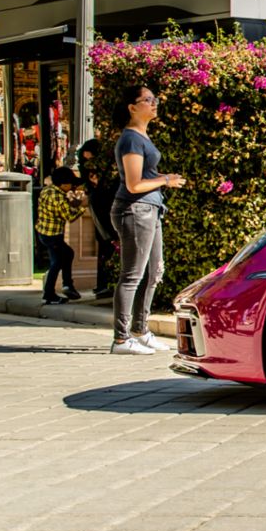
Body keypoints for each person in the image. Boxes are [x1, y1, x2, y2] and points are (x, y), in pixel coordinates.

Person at [111, 86, 184, 356]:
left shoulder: (142, 136)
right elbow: (133, 184)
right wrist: (166, 180)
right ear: (132, 107)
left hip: (150, 209)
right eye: (148, 100)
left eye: (155, 99)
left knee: (154, 273)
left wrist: (164, 179)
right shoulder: (131, 139)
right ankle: (121, 339)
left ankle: (140, 331)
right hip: (135, 209)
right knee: (132, 275)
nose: (154, 104)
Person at [35, 167, 87, 305]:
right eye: (71, 184)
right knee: (59, 261)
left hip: (43, 232)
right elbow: (69, 216)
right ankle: (55, 290)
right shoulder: (58, 197)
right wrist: (82, 206)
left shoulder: (47, 190)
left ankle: (64, 286)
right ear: (64, 184)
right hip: (53, 235)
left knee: (63, 256)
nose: (73, 186)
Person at [77, 138, 120, 298]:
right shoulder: (98, 184)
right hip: (101, 208)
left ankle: (105, 283)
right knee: (106, 245)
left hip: (105, 206)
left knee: (107, 246)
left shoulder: (107, 179)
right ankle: (103, 284)